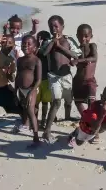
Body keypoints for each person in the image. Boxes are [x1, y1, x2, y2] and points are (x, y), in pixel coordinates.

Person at [40, 15, 82, 143]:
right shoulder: (48, 42)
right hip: (53, 77)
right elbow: (43, 53)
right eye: (50, 26)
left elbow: (76, 54)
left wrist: (60, 47)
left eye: (56, 26)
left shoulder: (69, 40)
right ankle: (47, 131)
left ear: (62, 27)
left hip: (66, 76)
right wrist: (53, 42)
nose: (53, 29)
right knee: (56, 102)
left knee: (69, 99)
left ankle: (67, 116)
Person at [67, 84, 106, 171]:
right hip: (87, 127)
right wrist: (103, 114)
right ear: (101, 97)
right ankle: (76, 132)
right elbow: (94, 129)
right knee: (79, 143)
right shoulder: (95, 108)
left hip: (99, 126)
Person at [14, 35, 42, 148]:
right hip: (21, 89)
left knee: (30, 111)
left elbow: (39, 79)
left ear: (35, 47)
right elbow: (17, 76)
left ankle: (36, 137)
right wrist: (15, 90)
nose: (25, 46)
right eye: (24, 44)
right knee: (24, 108)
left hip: (32, 89)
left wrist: (32, 91)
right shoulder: (20, 60)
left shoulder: (36, 61)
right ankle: (26, 126)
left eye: (28, 44)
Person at [71, 24, 98, 114]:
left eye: (86, 36)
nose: (83, 39)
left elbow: (94, 58)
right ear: (77, 36)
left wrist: (79, 60)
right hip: (78, 80)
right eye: (80, 36)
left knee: (91, 101)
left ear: (91, 36)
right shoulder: (76, 49)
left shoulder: (92, 46)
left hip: (89, 80)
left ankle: (91, 117)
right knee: (78, 102)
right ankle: (85, 117)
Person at [35, 30, 52, 129]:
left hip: (43, 78)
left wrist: (39, 44)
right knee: (43, 102)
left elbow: (43, 53)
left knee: (42, 102)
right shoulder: (39, 48)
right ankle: (41, 120)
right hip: (43, 78)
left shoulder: (45, 47)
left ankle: (41, 121)